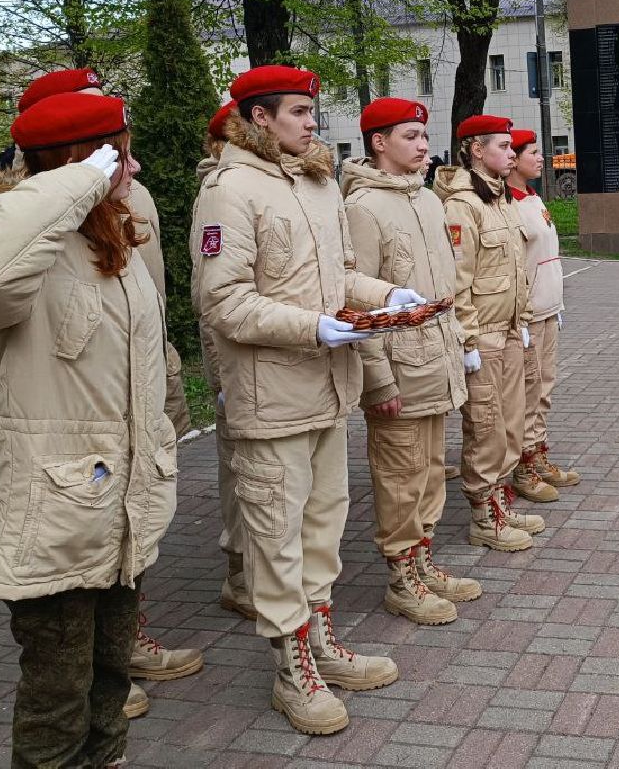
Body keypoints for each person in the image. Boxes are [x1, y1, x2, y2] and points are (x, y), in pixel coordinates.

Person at [0, 92, 177, 765]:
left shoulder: (108, 236)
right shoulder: (18, 246)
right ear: (82, 162)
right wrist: (82, 177)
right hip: (53, 517)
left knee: (108, 682)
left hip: (118, 507)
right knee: (56, 700)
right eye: (120, 153)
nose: (132, 167)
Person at [195, 65, 426, 736]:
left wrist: (386, 297)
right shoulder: (230, 190)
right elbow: (223, 301)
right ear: (258, 118)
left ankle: (321, 643)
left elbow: (337, 273)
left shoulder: (316, 182)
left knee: (322, 528)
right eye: (296, 112)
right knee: (277, 537)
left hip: (328, 389)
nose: (311, 123)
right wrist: (313, 326)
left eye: (311, 111)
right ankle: (291, 669)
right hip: (271, 395)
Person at [15, 68, 201, 691]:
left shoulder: (131, 192)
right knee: (87, 522)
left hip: (150, 369)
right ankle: (94, 661)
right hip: (81, 406)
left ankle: (126, 637)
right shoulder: (27, 215)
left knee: (142, 507)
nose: (118, 149)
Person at [341, 98, 482, 625]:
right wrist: (378, 381)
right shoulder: (362, 207)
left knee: (428, 471)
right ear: (379, 143)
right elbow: (359, 300)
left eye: (424, 137)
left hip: (435, 360)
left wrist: (461, 345)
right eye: (410, 137)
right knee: (399, 475)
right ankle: (401, 578)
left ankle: (424, 562)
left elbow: (444, 287)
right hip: (398, 366)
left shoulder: (426, 200)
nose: (424, 146)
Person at [433, 115, 541, 551]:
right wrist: (468, 340)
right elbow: (459, 279)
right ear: (476, 149)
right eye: (502, 146)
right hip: (485, 335)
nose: (511, 153)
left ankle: (500, 498)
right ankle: (483, 513)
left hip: (511, 329)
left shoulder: (500, 199)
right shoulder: (463, 204)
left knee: (511, 422)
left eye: (512, 146)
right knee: (486, 424)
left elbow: (516, 270)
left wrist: (527, 319)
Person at [189, 101, 257, 622]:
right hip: (238, 365)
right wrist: (220, 377)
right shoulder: (219, 194)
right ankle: (239, 573)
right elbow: (210, 297)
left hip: (267, 366)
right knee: (240, 469)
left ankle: (254, 568)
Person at [507, 129, 579, 500]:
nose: (541, 158)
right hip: (529, 315)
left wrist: (557, 305)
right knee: (529, 392)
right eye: (533, 152)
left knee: (544, 390)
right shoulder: (509, 206)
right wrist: (520, 316)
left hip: (549, 309)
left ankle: (538, 455)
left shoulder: (533, 198)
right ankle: (523, 465)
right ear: (513, 160)